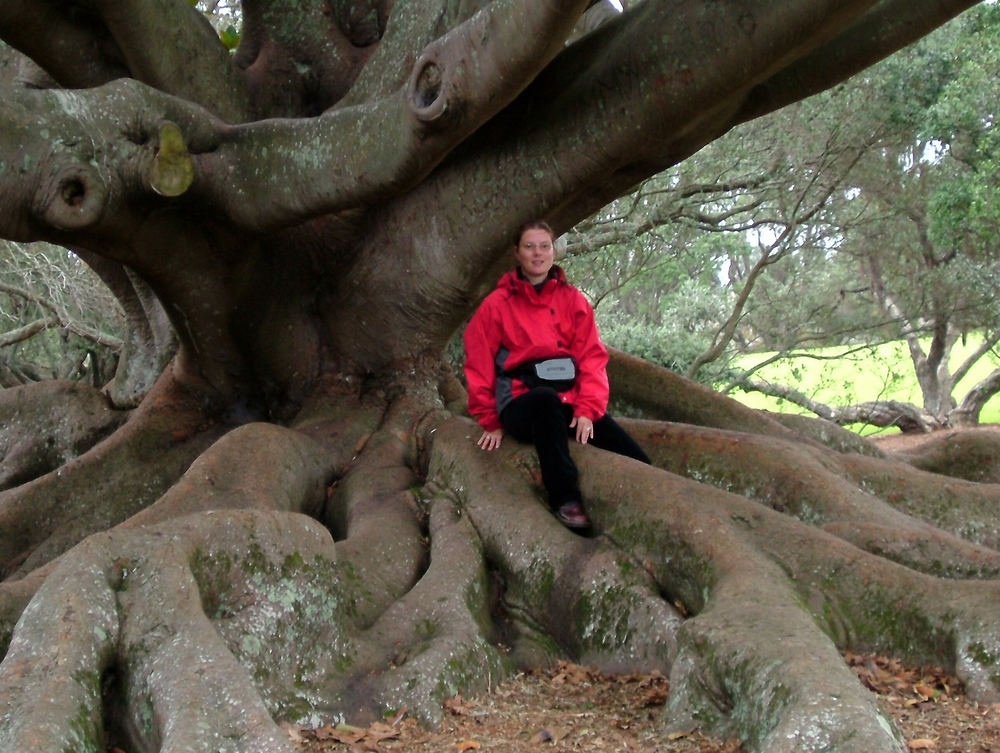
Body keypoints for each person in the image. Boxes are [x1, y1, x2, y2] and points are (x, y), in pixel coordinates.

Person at [463, 220, 651, 529]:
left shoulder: (572, 300)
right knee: (544, 400)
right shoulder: (497, 305)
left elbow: (592, 357)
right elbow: (479, 363)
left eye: (544, 246)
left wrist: (588, 410)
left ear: (554, 252)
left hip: (570, 402)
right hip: (521, 404)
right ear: (517, 253)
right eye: (529, 247)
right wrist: (490, 421)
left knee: (634, 456)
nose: (537, 254)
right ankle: (564, 498)